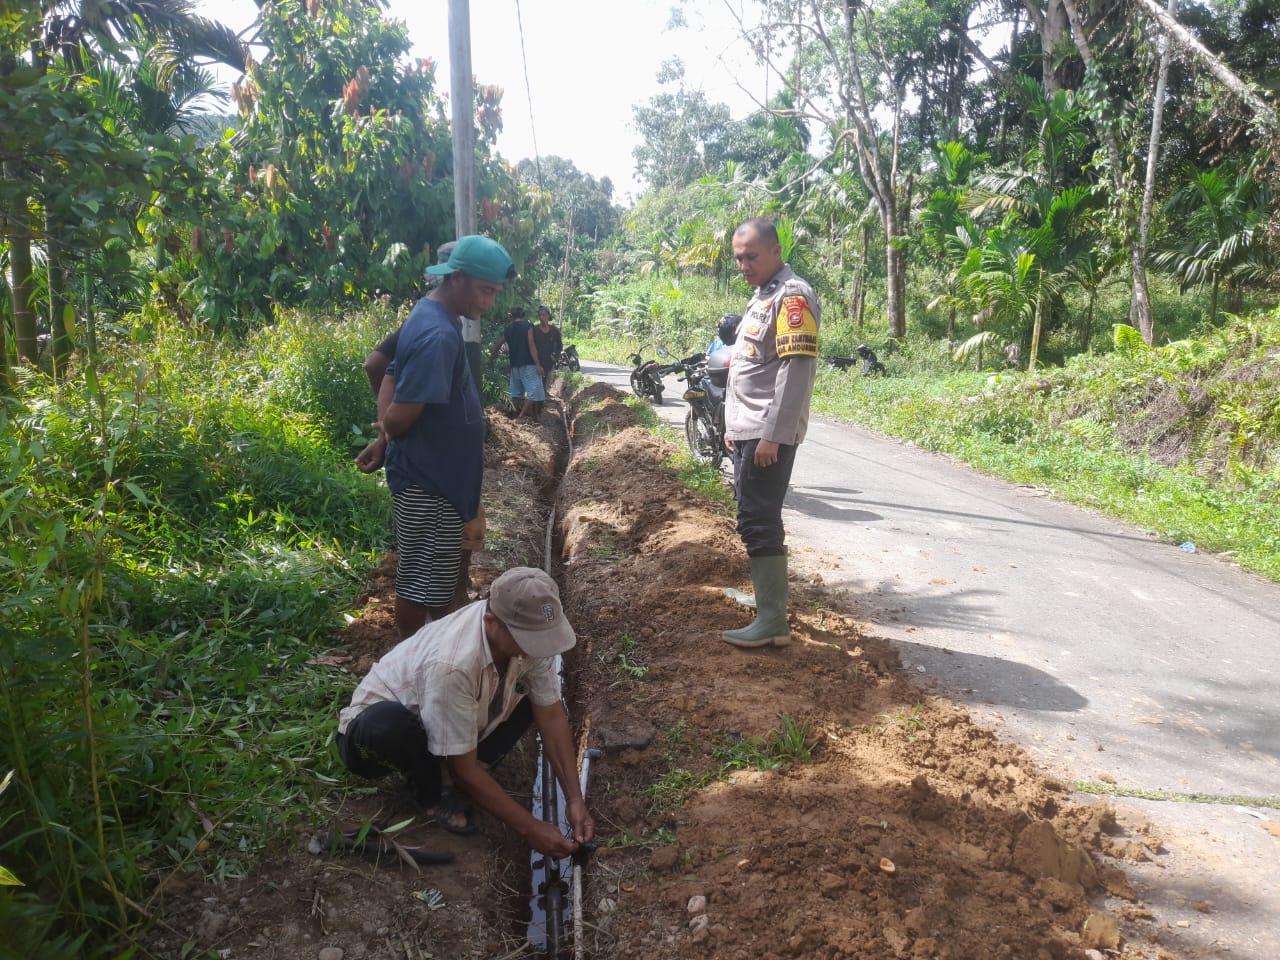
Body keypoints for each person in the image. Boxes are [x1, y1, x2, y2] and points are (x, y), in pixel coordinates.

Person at [336, 567, 594, 858]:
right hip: (376, 738)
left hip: (447, 715)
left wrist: (574, 798)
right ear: (492, 622)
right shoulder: (454, 663)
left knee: (535, 702)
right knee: (387, 724)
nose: (538, 649)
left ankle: (469, 768)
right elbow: (464, 769)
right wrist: (530, 828)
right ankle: (432, 791)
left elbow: (550, 714)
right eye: (530, 641)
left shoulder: (529, 635)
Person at [356, 234, 514, 639]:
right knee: (424, 584)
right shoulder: (439, 335)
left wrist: (385, 439)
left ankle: (426, 655)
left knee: (431, 576)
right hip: (431, 483)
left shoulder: (430, 317)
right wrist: (389, 430)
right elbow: (404, 410)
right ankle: (419, 659)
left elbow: (389, 373)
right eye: (485, 291)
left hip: (437, 480)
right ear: (457, 279)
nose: (488, 302)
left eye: (495, 293)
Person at [720, 218, 820, 650]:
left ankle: (773, 621)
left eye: (752, 256)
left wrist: (772, 436)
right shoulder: (762, 296)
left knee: (759, 518)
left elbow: (794, 372)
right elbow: (748, 367)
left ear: (777, 251)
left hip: (767, 431)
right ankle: (767, 603)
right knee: (752, 513)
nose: (744, 264)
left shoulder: (793, 296)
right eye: (739, 258)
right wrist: (732, 427)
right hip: (749, 428)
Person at [490, 305, 545, 420]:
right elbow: (531, 345)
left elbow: (498, 344)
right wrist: (538, 364)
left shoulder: (508, 329)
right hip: (528, 364)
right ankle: (520, 417)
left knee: (516, 394)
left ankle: (514, 415)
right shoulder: (528, 326)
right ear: (523, 315)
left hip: (514, 366)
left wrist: (492, 359)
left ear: (512, 316)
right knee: (534, 392)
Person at [531, 305, 563, 387]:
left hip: (549, 361)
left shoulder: (554, 331)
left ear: (548, 316)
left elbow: (559, 345)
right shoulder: (535, 330)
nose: (541, 317)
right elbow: (530, 345)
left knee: (545, 383)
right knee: (536, 385)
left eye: (544, 315)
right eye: (540, 315)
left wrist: (556, 356)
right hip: (536, 362)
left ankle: (544, 395)